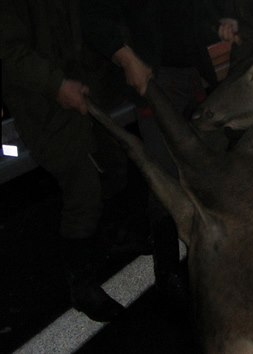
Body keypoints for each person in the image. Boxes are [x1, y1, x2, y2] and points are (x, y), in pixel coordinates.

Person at [80, 0, 229, 306]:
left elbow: (193, 13)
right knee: (164, 172)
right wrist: (126, 56)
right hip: (156, 77)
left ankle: (215, 253)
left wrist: (223, 20)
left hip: (193, 71)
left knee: (213, 158)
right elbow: (93, 16)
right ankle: (168, 272)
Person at [0, 0, 126, 321]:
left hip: (81, 88)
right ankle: (82, 285)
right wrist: (55, 84)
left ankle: (116, 236)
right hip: (40, 104)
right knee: (82, 187)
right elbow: (9, 52)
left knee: (114, 163)